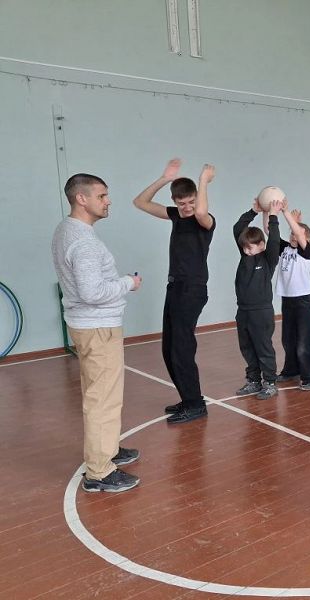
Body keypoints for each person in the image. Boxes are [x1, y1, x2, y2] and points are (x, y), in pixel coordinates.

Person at [52, 173, 142, 492]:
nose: (108, 201)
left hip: (86, 325)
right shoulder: (84, 242)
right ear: (82, 199)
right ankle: (99, 472)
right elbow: (92, 292)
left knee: (99, 392)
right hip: (98, 327)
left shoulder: (66, 230)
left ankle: (108, 449)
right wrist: (128, 283)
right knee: (103, 398)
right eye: (101, 196)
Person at [133, 159, 215, 424]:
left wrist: (203, 181)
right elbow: (140, 202)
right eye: (182, 203)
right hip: (175, 288)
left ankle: (196, 404)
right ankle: (187, 398)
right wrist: (164, 179)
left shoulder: (205, 221)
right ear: (175, 202)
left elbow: (201, 212)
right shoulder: (176, 215)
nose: (187, 207)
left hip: (192, 289)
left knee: (182, 348)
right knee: (169, 349)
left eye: (191, 201)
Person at [232, 197, 282, 399]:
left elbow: (275, 240)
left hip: (261, 312)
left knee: (263, 348)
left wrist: (273, 216)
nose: (246, 251)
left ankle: (270, 382)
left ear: (261, 245)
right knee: (247, 348)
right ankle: (253, 380)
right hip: (243, 311)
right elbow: (238, 228)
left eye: (250, 247)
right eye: (244, 248)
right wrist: (253, 211)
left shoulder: (268, 259)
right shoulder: (245, 256)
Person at [274, 204, 310, 390]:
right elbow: (269, 232)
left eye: (297, 234)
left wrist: (286, 213)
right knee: (288, 338)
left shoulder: (306, 252)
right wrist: (269, 212)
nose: (294, 236)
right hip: (288, 298)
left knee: (304, 340)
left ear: (307, 239)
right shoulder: (285, 248)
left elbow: (300, 234)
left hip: (303, 300)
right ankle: (291, 369)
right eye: (291, 233)